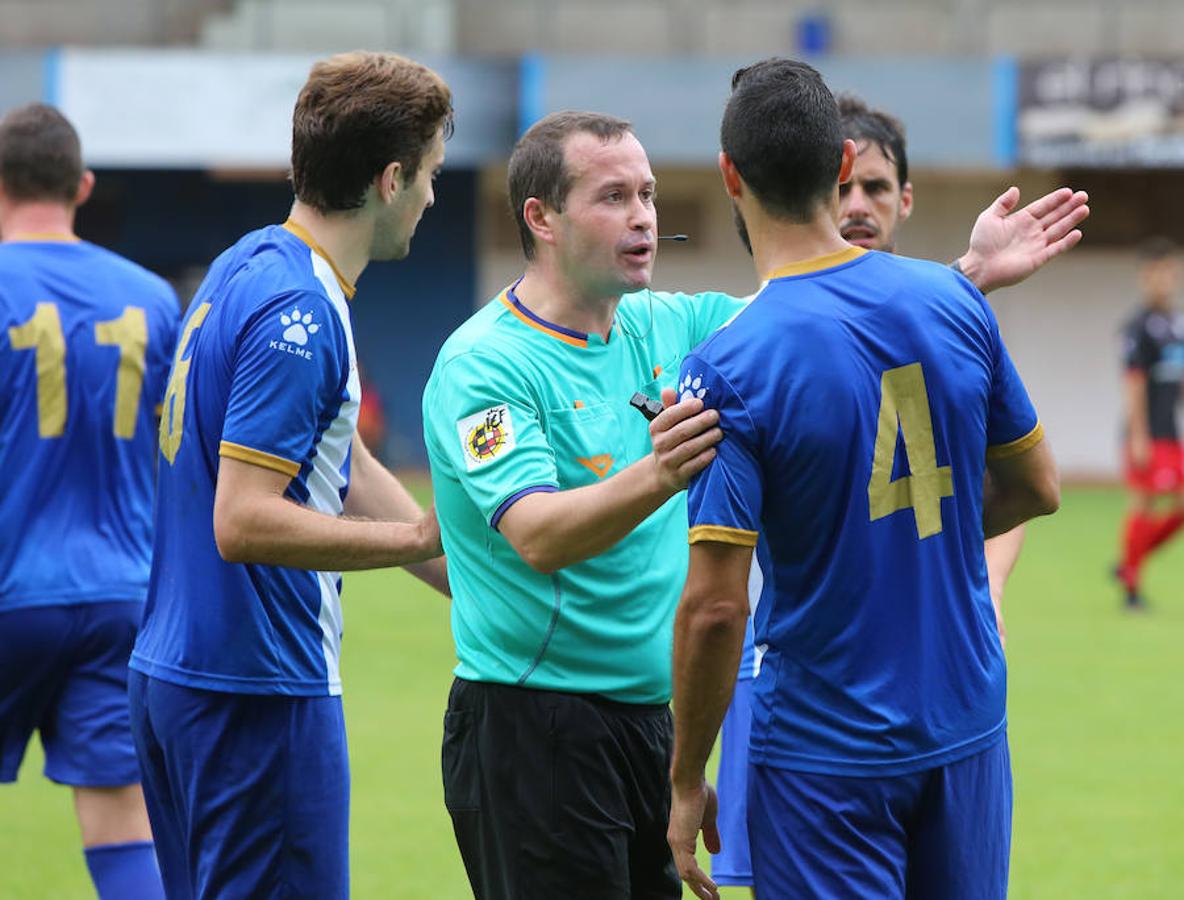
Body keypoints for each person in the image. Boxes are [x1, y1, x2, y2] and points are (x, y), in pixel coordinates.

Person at [423, 106, 1085, 897]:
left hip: (654, 718)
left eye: (649, 193)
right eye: (613, 198)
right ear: (542, 217)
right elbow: (536, 535)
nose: (642, 217)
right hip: (535, 728)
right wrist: (660, 473)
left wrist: (964, 277)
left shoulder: (672, 326)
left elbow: (821, 321)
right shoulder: (485, 365)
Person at [667, 58, 1060, 900]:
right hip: (966, 725)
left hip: (823, 751)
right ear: (842, 167)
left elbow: (715, 607)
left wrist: (685, 775)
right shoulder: (956, 302)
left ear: (729, 175)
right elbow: (1035, 487)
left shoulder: (726, 368)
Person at [127, 52, 450, 899]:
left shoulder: (251, 263)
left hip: (179, 676)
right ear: (390, 179)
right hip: (256, 688)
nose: (432, 197)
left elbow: (337, 461)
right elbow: (244, 520)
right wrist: (415, 535)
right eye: (431, 175)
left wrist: (457, 570)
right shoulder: (302, 311)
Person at [0, 103, 178, 899]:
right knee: (120, 817)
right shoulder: (152, 299)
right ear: (83, 186)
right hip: (121, 596)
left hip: (8, 589)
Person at [1116, 237, 1184, 609]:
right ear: (1145, 277)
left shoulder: (1177, 324)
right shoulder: (1137, 327)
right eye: (1157, 274)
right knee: (1143, 505)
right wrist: (1139, 435)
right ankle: (1131, 589)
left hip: (1171, 433)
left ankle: (1129, 561)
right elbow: (1134, 382)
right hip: (1147, 432)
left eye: (1170, 273)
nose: (1164, 280)